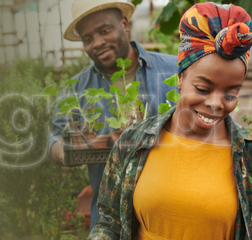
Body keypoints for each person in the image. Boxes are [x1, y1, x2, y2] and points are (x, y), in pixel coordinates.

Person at [88, 2, 252, 240]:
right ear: (180, 77)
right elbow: (109, 223)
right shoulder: (132, 143)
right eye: (202, 88)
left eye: (231, 94)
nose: (217, 104)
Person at [48, 0, 178, 231]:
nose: (97, 43)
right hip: (111, 221)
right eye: (88, 39)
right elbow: (55, 136)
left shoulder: (173, 70)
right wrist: (64, 151)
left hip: (173, 211)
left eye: (104, 30)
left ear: (125, 25)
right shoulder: (76, 87)